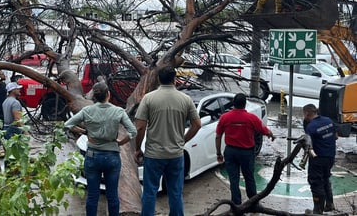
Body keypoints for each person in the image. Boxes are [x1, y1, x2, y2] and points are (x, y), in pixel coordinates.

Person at [134, 66, 201, 216]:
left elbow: (140, 128)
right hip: (176, 155)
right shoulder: (185, 99)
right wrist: (183, 140)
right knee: (175, 193)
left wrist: (137, 149)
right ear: (174, 80)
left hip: (153, 155)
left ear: (158, 79)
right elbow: (197, 124)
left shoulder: (149, 98)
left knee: (150, 192)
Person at [64, 82, 137, 216]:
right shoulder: (118, 111)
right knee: (113, 195)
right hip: (112, 156)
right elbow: (133, 132)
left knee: (92, 196)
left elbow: (67, 125)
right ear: (108, 94)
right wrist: (121, 142)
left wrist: (84, 131)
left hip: (92, 156)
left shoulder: (87, 111)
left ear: (95, 97)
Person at [215, 93, 275, 206]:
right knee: (249, 177)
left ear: (233, 103)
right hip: (246, 153)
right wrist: (271, 135)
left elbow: (218, 136)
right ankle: (253, 203)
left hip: (231, 152)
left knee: (233, 179)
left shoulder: (225, 117)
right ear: (245, 104)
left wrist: (218, 153)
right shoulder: (251, 118)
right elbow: (263, 130)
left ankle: (236, 204)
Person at [302, 104, 337, 214]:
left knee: (316, 182)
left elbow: (308, 145)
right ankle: (329, 204)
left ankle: (318, 209)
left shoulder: (310, 127)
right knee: (326, 178)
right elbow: (336, 136)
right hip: (330, 157)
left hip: (318, 158)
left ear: (307, 114)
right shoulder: (328, 120)